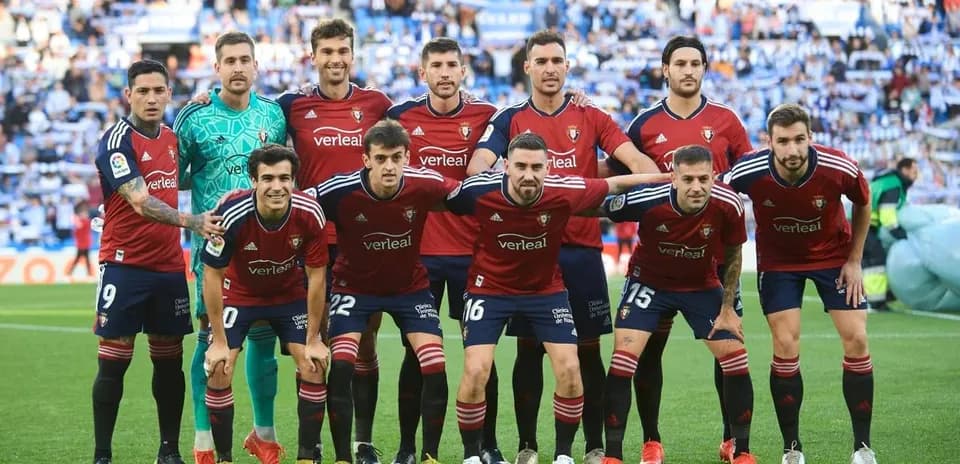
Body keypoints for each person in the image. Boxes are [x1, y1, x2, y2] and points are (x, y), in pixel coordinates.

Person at [465, 30, 659, 464]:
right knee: (528, 350)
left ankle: (591, 446)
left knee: (587, 353)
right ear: (527, 67)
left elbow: (636, 163)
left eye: (557, 60)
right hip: (528, 253)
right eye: (542, 61)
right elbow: (478, 167)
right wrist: (512, 189)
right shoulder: (511, 118)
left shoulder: (591, 115)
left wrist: (657, 188)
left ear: (568, 66)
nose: (550, 68)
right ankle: (528, 446)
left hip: (581, 251)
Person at [448, 132, 668, 464]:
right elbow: (437, 196)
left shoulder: (564, 189)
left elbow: (615, 184)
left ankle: (563, 454)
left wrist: (667, 178)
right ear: (506, 166)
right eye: (520, 166)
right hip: (489, 290)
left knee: (569, 368)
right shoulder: (479, 190)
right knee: (477, 369)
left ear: (548, 168)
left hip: (545, 292)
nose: (528, 174)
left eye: (536, 167)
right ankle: (470, 456)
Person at [610, 35, 754, 464]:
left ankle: (731, 439)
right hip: (658, 261)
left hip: (715, 264)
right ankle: (651, 440)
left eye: (695, 63)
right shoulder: (644, 124)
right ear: (666, 69)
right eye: (680, 63)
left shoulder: (727, 120)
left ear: (704, 68)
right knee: (648, 351)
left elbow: (746, 177)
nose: (688, 70)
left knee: (726, 348)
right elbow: (621, 179)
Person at [725, 104, 876, 464]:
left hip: (834, 257)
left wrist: (855, 261)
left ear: (810, 137)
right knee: (785, 344)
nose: (792, 149)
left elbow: (863, 202)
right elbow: (718, 198)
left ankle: (862, 447)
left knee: (857, 338)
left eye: (799, 140)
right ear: (769, 142)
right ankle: (792, 448)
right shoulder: (747, 171)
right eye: (783, 141)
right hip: (779, 263)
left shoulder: (838, 166)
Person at [91, 59, 223, 464]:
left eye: (158, 90)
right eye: (142, 91)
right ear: (128, 95)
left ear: (168, 93)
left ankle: (169, 451)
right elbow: (140, 201)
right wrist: (192, 221)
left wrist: (200, 103)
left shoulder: (170, 138)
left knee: (169, 363)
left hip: (167, 268)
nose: (151, 98)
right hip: (124, 265)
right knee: (115, 361)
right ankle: (102, 455)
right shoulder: (116, 141)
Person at [277, 21, 393, 460]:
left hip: (365, 242)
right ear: (313, 57)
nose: (335, 59)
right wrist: (206, 97)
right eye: (326, 51)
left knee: (363, 341)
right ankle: (313, 443)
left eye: (342, 51)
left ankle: (362, 441)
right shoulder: (292, 105)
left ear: (352, 55)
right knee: (315, 340)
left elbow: (419, 124)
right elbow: (249, 110)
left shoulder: (378, 104)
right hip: (312, 242)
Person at [311, 120, 459, 464]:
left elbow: (467, 194)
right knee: (343, 364)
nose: (389, 166)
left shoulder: (425, 182)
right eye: (380, 158)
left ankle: (426, 455)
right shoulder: (340, 189)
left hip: (409, 288)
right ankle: (344, 457)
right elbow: (297, 205)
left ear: (407, 157)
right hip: (354, 288)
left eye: (396, 158)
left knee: (434, 363)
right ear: (366, 160)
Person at [172, 31, 288, 463]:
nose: (238, 67)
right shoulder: (194, 117)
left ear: (256, 66)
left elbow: (284, 174)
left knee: (262, 338)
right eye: (230, 61)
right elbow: (174, 176)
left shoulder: (273, 115)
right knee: (209, 340)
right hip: (214, 248)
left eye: (245, 60)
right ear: (217, 67)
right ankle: (203, 439)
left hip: (266, 248)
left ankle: (264, 434)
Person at [599, 145, 756, 464]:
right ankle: (621, 453)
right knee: (623, 361)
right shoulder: (648, 199)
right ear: (673, 178)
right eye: (688, 179)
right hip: (649, 283)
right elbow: (598, 206)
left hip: (700, 285)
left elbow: (733, 253)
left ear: (714, 176)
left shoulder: (729, 203)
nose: (696, 187)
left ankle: (739, 450)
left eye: (703, 179)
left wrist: (728, 308)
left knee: (736, 359)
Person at [385, 37, 502, 464]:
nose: (445, 73)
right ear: (423, 72)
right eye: (436, 66)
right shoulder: (399, 117)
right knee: (417, 354)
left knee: (481, 355)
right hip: (419, 255)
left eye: (452, 65)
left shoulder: (489, 115)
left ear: (463, 70)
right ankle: (410, 448)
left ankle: (488, 446)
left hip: (475, 255)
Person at [201, 145, 330, 464]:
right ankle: (224, 459)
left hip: (288, 295)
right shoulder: (230, 212)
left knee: (314, 365)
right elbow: (212, 276)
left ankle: (306, 458)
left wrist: (314, 338)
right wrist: (218, 342)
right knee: (218, 367)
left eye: (284, 178)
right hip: (240, 295)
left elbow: (316, 277)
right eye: (268, 178)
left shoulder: (310, 212)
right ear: (253, 181)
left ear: (293, 180)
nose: (277, 186)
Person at [863, 157, 919, 311]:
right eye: (914, 171)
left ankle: (878, 296)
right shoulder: (893, 185)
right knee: (876, 260)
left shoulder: (888, 181)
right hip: (862, 225)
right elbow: (888, 217)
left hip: (858, 224)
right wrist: (903, 236)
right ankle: (877, 302)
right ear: (905, 170)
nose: (916, 175)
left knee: (869, 262)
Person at [69, 200, 94, 278]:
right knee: (83, 259)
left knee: (83, 259)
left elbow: (80, 227)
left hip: (85, 243)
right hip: (81, 243)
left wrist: (75, 220)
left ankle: (70, 273)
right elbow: (76, 232)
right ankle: (88, 274)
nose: (84, 215)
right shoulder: (80, 221)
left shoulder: (86, 221)